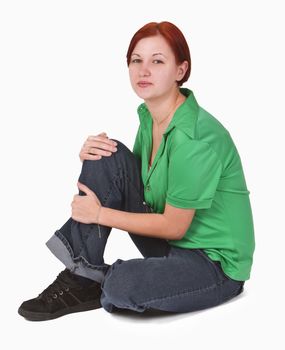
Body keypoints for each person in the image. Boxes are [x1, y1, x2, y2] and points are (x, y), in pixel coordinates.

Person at [18, 21, 255, 321]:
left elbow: (174, 226)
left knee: (122, 286)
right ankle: (80, 274)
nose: (144, 70)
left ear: (180, 71)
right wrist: (92, 160)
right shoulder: (149, 118)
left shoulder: (194, 138)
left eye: (157, 61)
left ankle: (97, 277)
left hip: (213, 266)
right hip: (173, 246)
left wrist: (99, 215)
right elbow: (133, 184)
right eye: (136, 60)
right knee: (106, 152)